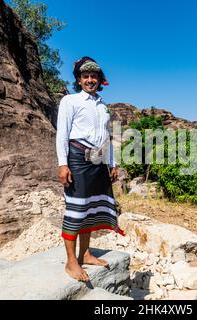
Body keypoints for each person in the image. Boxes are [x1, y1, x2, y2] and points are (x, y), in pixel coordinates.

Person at [56, 56, 125, 281]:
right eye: (85, 76)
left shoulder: (103, 106)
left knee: (91, 210)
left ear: (99, 79)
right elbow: (62, 135)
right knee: (76, 210)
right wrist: (63, 163)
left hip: (99, 160)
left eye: (93, 76)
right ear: (78, 79)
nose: (89, 80)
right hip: (77, 158)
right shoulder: (70, 101)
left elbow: (107, 135)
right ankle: (70, 262)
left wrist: (111, 163)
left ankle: (85, 253)